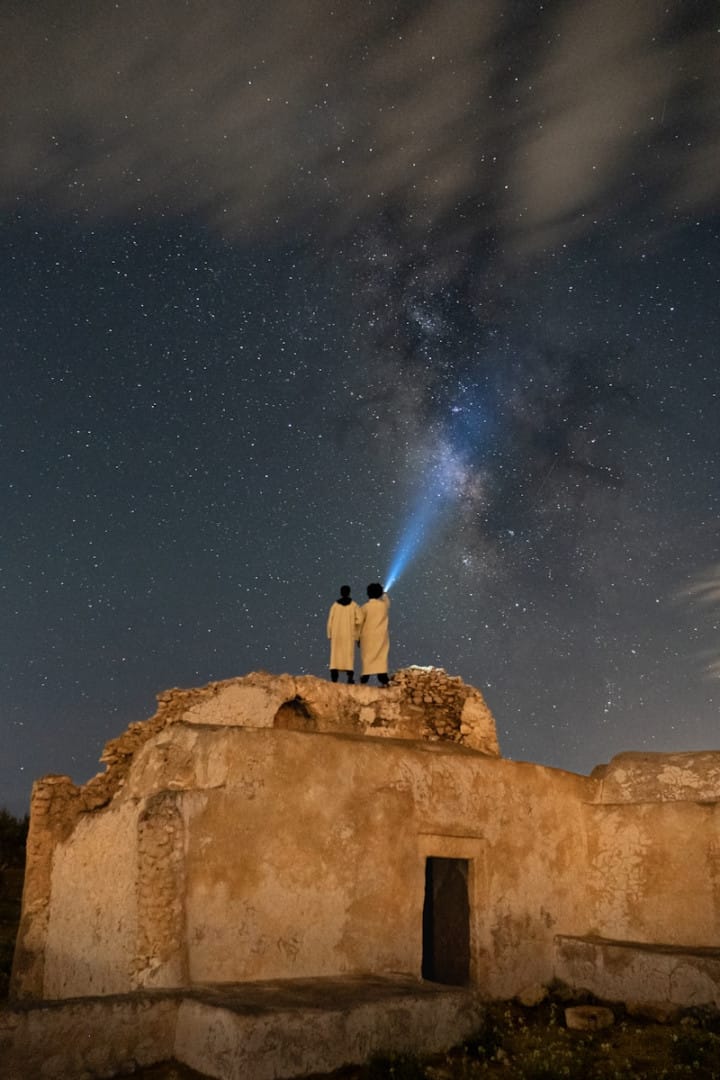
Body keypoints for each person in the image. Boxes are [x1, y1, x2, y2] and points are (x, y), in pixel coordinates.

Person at [326, 585, 361, 684]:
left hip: (336, 635)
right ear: (349, 592)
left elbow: (330, 621)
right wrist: (357, 633)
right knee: (348, 657)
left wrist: (329, 634)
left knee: (335, 658)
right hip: (348, 634)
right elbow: (359, 620)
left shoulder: (335, 606)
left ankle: (334, 679)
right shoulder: (354, 605)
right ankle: (349, 678)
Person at [358, 582, 391, 686]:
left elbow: (359, 624)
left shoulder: (364, 607)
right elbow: (387, 602)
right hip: (381, 638)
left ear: (368, 593)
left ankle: (364, 680)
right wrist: (384, 593)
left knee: (367, 659)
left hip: (367, 638)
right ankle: (384, 680)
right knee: (381, 659)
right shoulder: (383, 606)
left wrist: (357, 638)